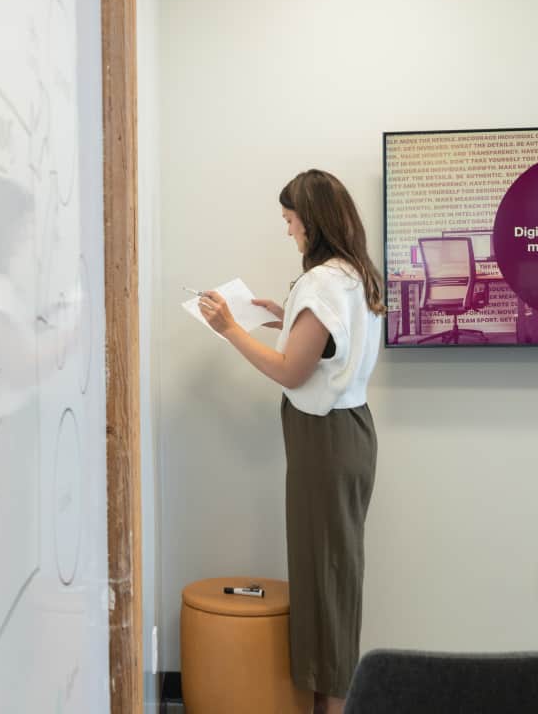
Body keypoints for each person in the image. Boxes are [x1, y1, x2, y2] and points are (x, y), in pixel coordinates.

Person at [198, 169, 384, 714]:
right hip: (350, 432)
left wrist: (230, 328)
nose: (287, 231)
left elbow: (291, 372)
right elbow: (328, 347)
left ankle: (331, 706)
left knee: (323, 578)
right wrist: (286, 318)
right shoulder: (355, 273)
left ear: (313, 221)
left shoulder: (322, 282)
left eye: (289, 220)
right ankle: (333, 699)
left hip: (324, 440)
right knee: (335, 573)